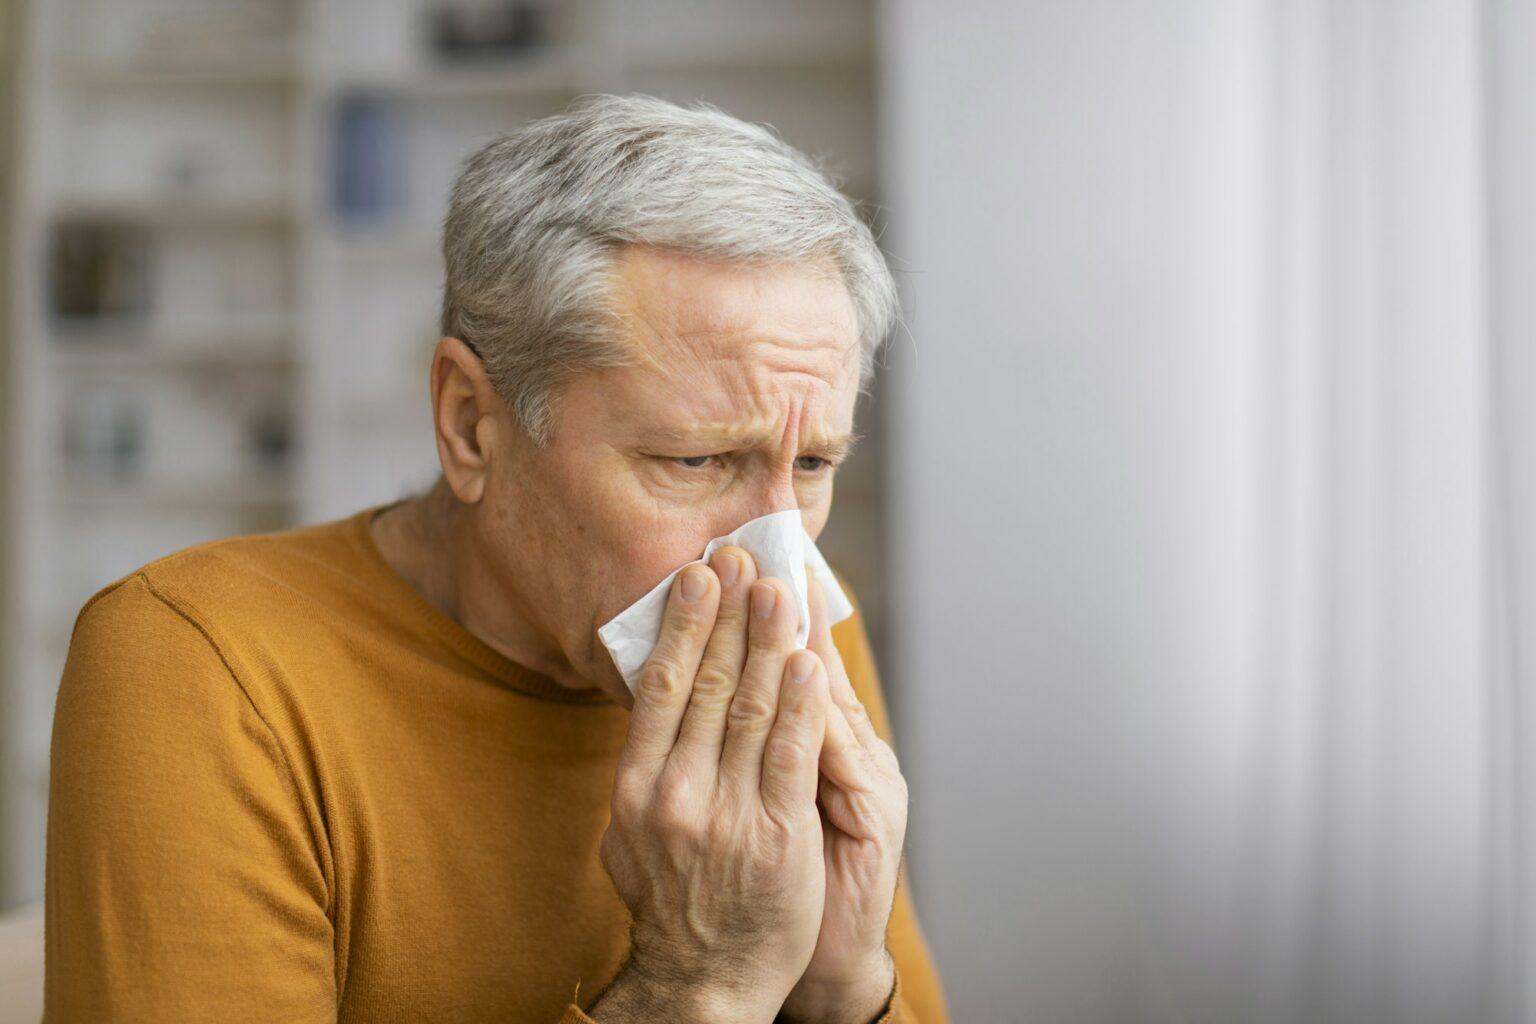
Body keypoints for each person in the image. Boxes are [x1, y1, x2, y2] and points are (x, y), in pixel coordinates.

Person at [44, 95, 949, 1023]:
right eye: (694, 460)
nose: (776, 563)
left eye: (812, 463)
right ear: (472, 425)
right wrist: (699, 981)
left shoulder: (801, 647)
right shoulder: (205, 667)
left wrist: (845, 992)